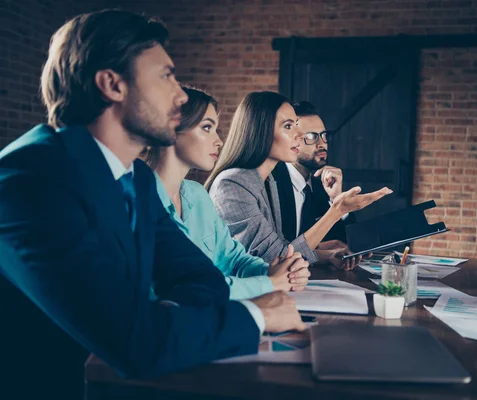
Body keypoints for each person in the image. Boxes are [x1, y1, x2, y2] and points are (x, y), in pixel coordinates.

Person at [0, 10, 304, 400]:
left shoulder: (135, 178)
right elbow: (133, 340)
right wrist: (258, 314)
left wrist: (163, 315)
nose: (180, 94)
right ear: (112, 85)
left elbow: (199, 281)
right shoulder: (29, 179)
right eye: (166, 76)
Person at [143, 85, 310, 300]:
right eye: (206, 127)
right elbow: (188, 287)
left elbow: (233, 259)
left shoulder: (197, 195)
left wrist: (275, 272)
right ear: (170, 130)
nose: (219, 140)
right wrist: (270, 282)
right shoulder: (140, 198)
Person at [206, 91, 392, 270]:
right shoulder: (232, 185)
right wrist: (337, 210)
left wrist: (324, 256)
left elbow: (282, 247)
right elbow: (275, 259)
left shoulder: (267, 181)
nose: (299, 135)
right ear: (261, 131)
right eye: (288, 126)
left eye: (296, 125)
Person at [271, 101, 355, 244]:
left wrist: (337, 200)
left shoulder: (324, 185)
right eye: (311, 137)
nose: (322, 144)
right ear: (292, 140)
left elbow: (348, 243)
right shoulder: (270, 180)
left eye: (323, 135)